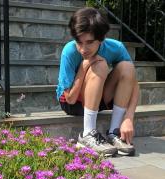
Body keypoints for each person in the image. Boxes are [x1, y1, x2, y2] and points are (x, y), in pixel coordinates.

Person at [57, 7, 139, 156]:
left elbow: (133, 82)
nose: (83, 49)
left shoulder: (116, 48)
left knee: (127, 67)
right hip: (72, 102)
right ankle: (87, 134)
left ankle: (114, 132)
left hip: (99, 98)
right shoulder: (69, 51)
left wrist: (128, 118)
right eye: (79, 42)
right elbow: (70, 99)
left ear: (101, 39)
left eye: (89, 42)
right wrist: (84, 66)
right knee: (100, 65)